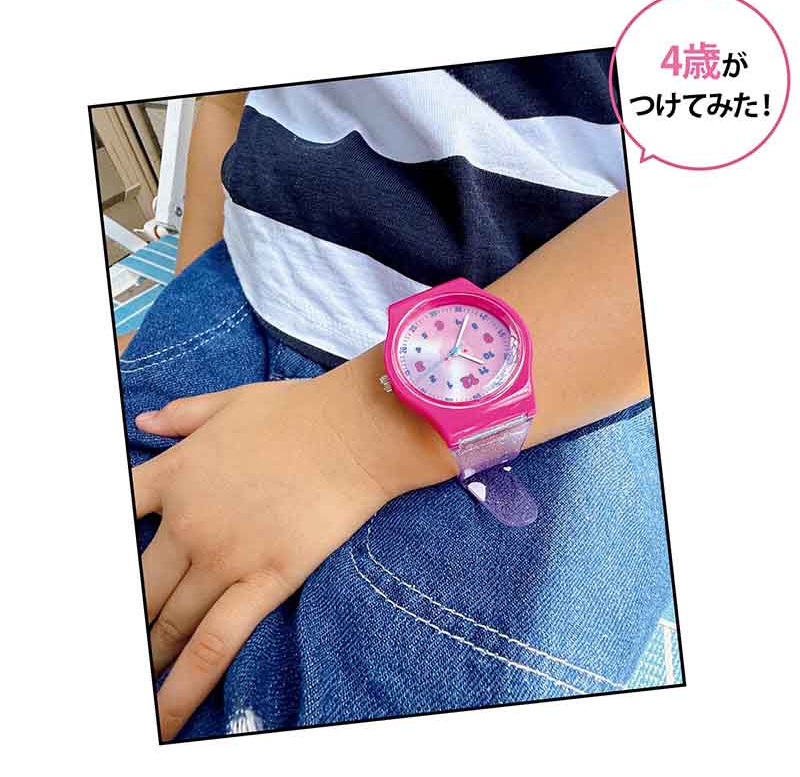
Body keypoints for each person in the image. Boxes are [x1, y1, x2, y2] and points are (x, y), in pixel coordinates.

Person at [120, 50, 673, 741]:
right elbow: (226, 100)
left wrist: (352, 438)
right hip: (241, 286)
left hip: (566, 364)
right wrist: (183, 301)